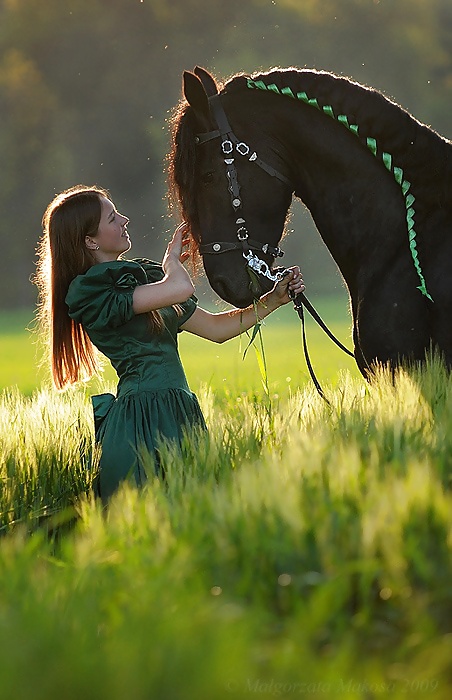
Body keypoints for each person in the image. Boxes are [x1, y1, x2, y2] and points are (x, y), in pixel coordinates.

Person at [35, 184, 305, 500]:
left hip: (179, 412)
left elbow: (216, 329)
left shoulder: (145, 277)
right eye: (112, 218)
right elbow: (180, 288)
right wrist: (172, 262)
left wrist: (273, 300)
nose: (124, 220)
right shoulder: (91, 293)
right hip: (141, 422)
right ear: (90, 240)